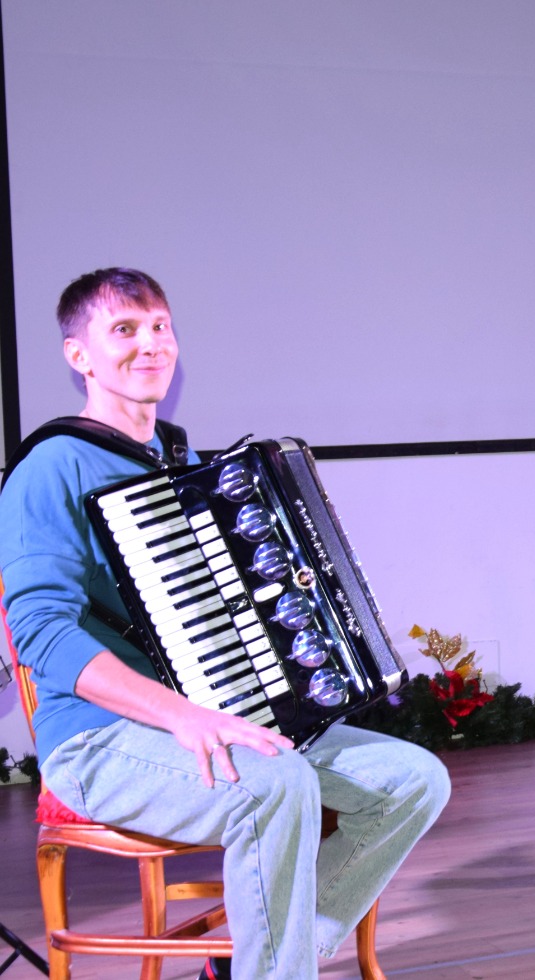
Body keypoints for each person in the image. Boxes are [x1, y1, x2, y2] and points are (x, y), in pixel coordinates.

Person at [0, 269, 450, 980]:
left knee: (413, 779)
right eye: (124, 330)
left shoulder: (177, 463)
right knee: (275, 786)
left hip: (207, 717)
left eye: (160, 326)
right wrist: (185, 716)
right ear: (78, 355)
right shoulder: (51, 467)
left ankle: (251, 965)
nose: (151, 344)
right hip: (96, 739)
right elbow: (41, 633)